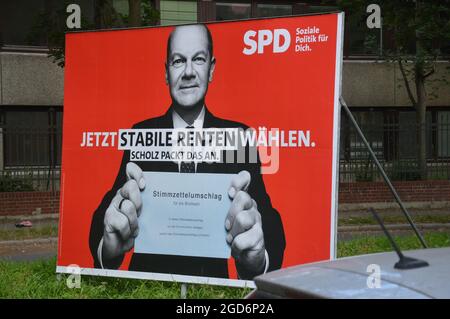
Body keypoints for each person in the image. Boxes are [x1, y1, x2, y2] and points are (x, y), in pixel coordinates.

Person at [89, 24, 285, 280]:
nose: (189, 72)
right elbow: (106, 215)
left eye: (199, 59)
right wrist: (109, 246)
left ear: (211, 69)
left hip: (212, 288)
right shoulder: (142, 134)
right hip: (149, 286)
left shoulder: (238, 138)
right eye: (179, 61)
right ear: (166, 73)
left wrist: (257, 259)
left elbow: (267, 220)